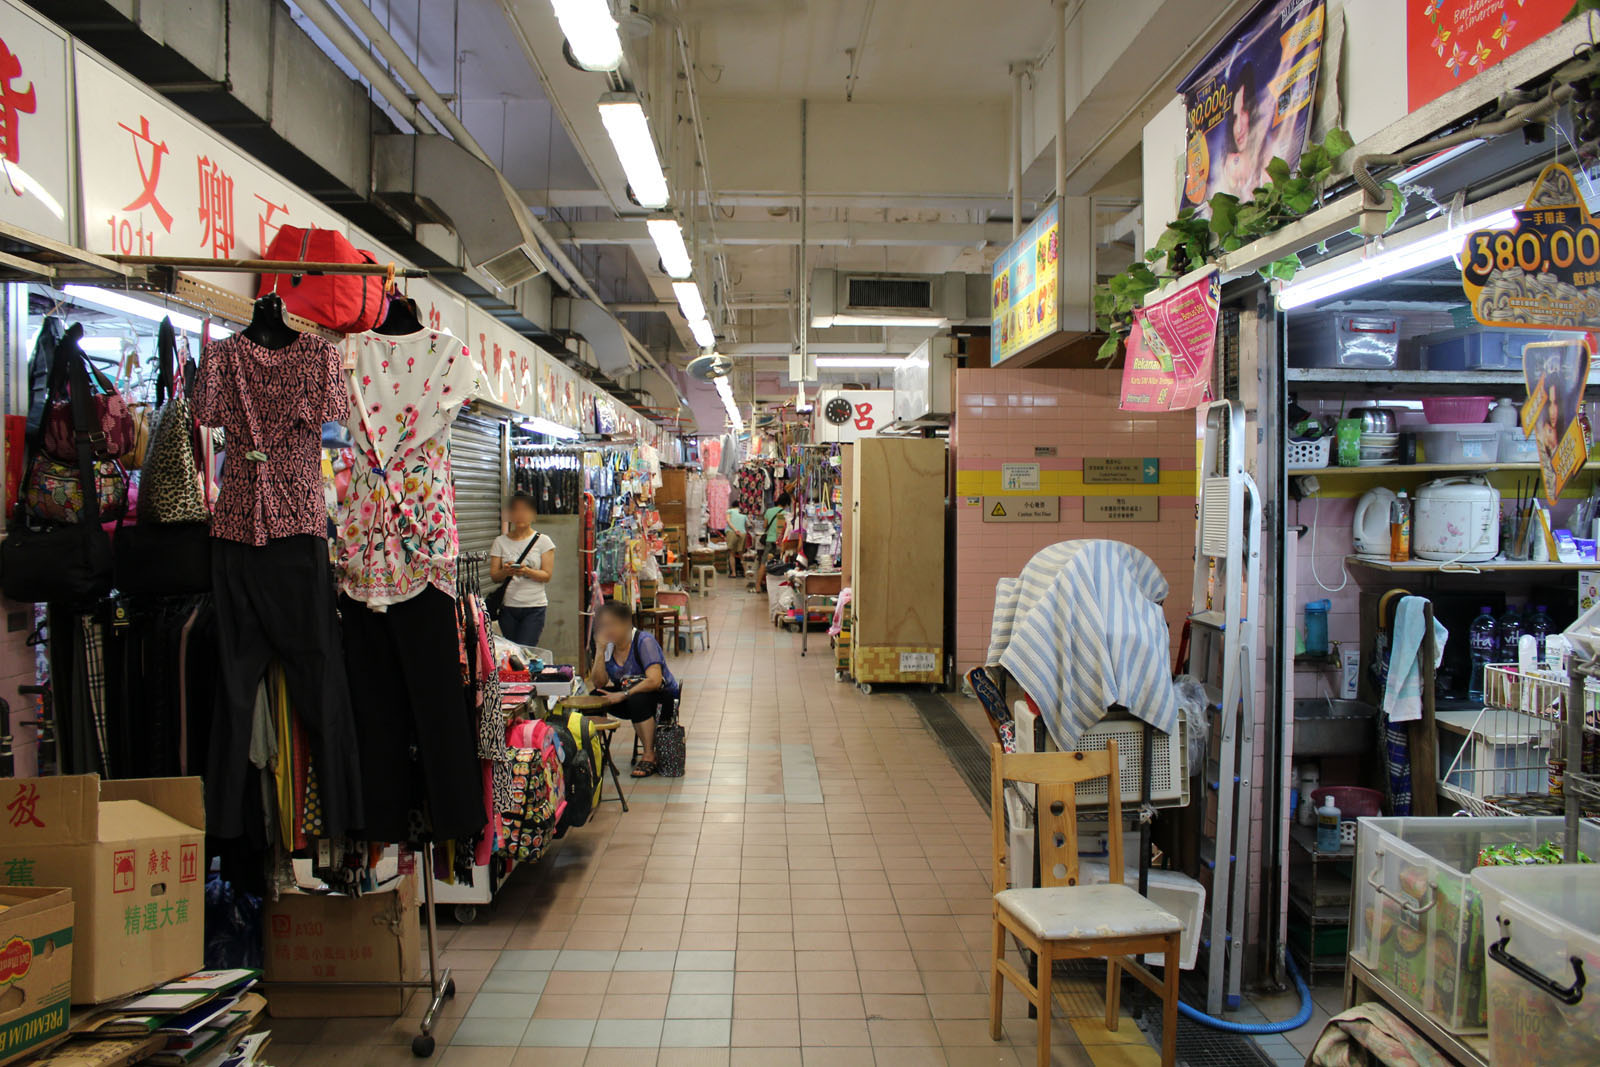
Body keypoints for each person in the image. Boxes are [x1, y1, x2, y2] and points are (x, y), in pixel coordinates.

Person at [587, 600, 679, 777]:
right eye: (603, 625)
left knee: (637, 699)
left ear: (627, 623)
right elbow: (599, 683)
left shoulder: (644, 641)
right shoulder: (608, 645)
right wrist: (599, 651)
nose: (608, 629)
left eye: (612, 624)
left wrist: (623, 695)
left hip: (662, 698)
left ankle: (649, 755)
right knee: (594, 698)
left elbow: (654, 680)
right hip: (629, 695)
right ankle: (596, 753)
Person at [490, 494, 556, 648]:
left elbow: (547, 575)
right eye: (516, 510)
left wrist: (526, 571)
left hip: (534, 607)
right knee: (512, 652)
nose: (520, 515)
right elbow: (494, 576)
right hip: (507, 608)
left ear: (533, 515)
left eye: (525, 510)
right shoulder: (500, 542)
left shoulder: (543, 541)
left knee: (526, 651)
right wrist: (506, 571)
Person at [762, 492, 791, 564]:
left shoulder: (769, 511)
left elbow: (764, 526)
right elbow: (783, 530)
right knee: (777, 564)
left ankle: (762, 575)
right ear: (787, 503)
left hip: (769, 540)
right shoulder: (785, 514)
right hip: (779, 542)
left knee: (764, 562)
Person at [726, 504, 748, 575]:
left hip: (732, 532)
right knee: (741, 554)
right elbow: (748, 525)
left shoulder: (729, 511)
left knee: (732, 554)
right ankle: (745, 572)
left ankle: (734, 573)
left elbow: (728, 521)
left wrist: (735, 530)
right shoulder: (744, 515)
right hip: (743, 533)